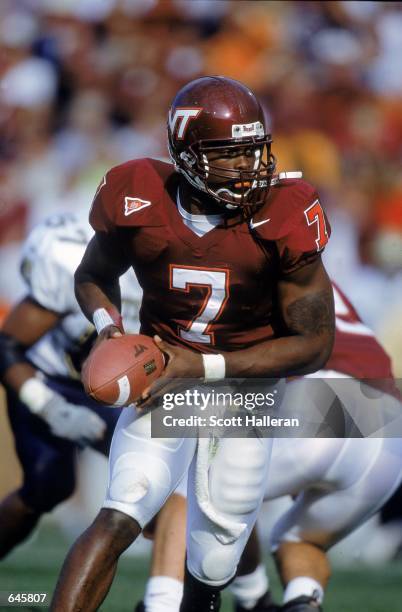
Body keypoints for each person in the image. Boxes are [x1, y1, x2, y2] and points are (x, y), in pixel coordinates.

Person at [51, 75, 335, 612]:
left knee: (214, 562)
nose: (247, 167)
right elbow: (93, 273)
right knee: (122, 510)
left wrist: (200, 369)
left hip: (248, 391)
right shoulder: (137, 193)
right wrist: (110, 328)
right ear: (184, 153)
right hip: (163, 374)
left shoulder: (287, 211)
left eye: (253, 151)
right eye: (228, 155)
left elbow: (314, 345)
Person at [134, 283, 402, 612]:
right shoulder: (307, 270)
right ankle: (298, 600)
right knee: (301, 540)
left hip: (321, 397)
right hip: (391, 431)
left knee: (191, 480)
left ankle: (161, 604)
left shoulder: (247, 265)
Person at [0, 211, 141, 559]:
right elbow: (6, 345)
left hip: (118, 387)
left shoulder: (176, 270)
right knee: (49, 485)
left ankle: (175, 595)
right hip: (50, 378)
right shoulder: (69, 263)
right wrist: (51, 408)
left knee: (158, 483)